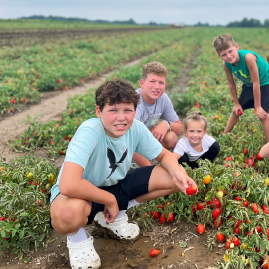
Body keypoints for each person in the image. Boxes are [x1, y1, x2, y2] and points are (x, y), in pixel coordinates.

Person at [49, 80, 197, 269]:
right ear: (98, 111)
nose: (121, 117)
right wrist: (110, 200)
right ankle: (77, 240)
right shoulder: (89, 131)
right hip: (80, 194)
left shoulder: (136, 128)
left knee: (174, 177)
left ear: (135, 111)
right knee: (66, 216)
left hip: (115, 185)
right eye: (113, 110)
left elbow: (164, 155)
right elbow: (68, 185)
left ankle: (113, 216)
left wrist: (179, 172)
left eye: (128, 110)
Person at [213, 34, 269, 142]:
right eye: (224, 54)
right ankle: (224, 138)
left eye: (230, 51)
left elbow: (257, 83)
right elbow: (231, 84)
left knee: (263, 115)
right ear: (219, 55)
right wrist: (237, 104)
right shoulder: (226, 65)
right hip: (249, 83)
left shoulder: (248, 57)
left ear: (236, 47)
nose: (228, 56)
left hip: (265, 81)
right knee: (236, 111)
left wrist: (258, 106)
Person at [133, 61, 183, 166]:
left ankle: (151, 158)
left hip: (142, 139)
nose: (157, 87)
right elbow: (129, 140)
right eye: (152, 81)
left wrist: (167, 124)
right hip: (126, 142)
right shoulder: (134, 101)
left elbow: (180, 128)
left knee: (171, 137)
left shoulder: (163, 99)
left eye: (161, 83)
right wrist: (149, 170)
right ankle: (137, 162)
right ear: (142, 83)